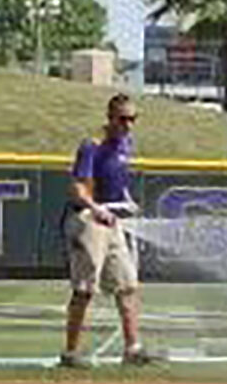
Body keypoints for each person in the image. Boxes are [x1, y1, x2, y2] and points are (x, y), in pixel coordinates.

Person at [59, 93, 160, 368]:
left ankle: (133, 348)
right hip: (89, 220)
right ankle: (70, 353)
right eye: (123, 118)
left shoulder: (126, 145)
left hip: (112, 222)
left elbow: (118, 180)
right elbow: (78, 188)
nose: (128, 124)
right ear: (110, 118)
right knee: (84, 289)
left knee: (127, 285)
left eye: (132, 119)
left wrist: (126, 200)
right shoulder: (92, 146)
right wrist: (96, 208)